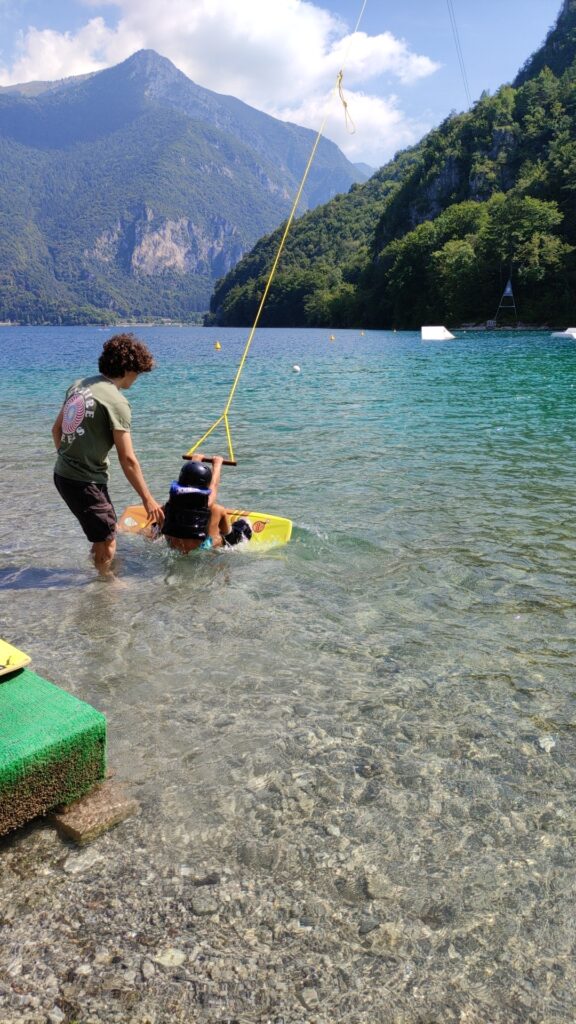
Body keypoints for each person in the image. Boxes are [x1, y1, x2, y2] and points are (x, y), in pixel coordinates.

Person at [52, 333, 164, 574]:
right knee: (109, 538)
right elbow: (128, 459)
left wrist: (69, 458)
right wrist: (148, 499)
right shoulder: (117, 402)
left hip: (64, 474)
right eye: (138, 372)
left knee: (102, 532)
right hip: (84, 480)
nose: (137, 378)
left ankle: (98, 576)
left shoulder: (79, 386)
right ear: (127, 369)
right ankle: (105, 589)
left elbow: (57, 429)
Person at [161, 454, 251, 554]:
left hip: (173, 546)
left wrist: (194, 460)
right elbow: (214, 485)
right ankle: (242, 528)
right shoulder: (209, 505)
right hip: (203, 549)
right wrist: (217, 464)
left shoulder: (169, 505)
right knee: (239, 527)